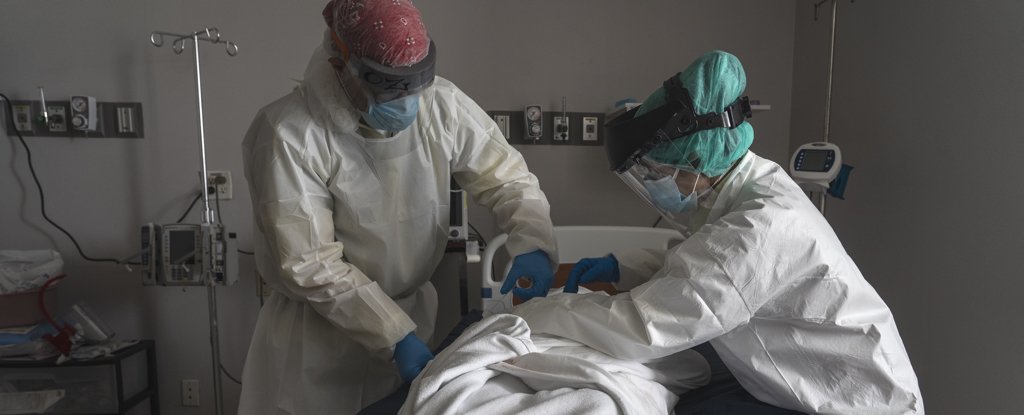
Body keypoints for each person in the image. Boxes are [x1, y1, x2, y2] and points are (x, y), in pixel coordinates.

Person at [513, 50, 924, 414]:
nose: (656, 182)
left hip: (856, 400)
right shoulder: (742, 187)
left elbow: (642, 328)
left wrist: (532, 314)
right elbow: (697, 261)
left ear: (694, 158)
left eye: (656, 172)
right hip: (801, 379)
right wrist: (619, 266)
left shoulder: (760, 226)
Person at [238, 1, 558, 413]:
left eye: (415, 84)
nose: (407, 101)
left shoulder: (441, 104)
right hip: (316, 344)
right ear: (341, 65)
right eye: (389, 86)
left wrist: (531, 237)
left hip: (408, 320)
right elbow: (310, 262)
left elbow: (507, 179)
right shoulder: (289, 133)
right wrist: (390, 334)